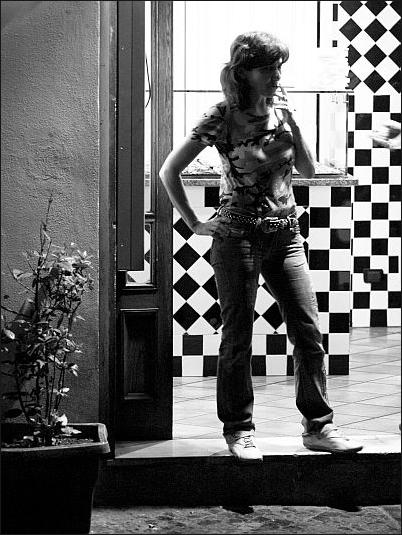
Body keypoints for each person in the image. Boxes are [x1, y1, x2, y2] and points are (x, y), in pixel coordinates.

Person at [159, 31, 363, 462]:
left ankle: (319, 427)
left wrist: (294, 122)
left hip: (286, 235)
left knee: (307, 331)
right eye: (268, 68)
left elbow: (308, 170)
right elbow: (168, 171)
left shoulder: (282, 111)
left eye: (279, 67)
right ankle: (239, 430)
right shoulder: (222, 116)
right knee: (237, 336)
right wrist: (195, 222)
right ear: (244, 72)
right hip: (238, 236)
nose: (276, 75)